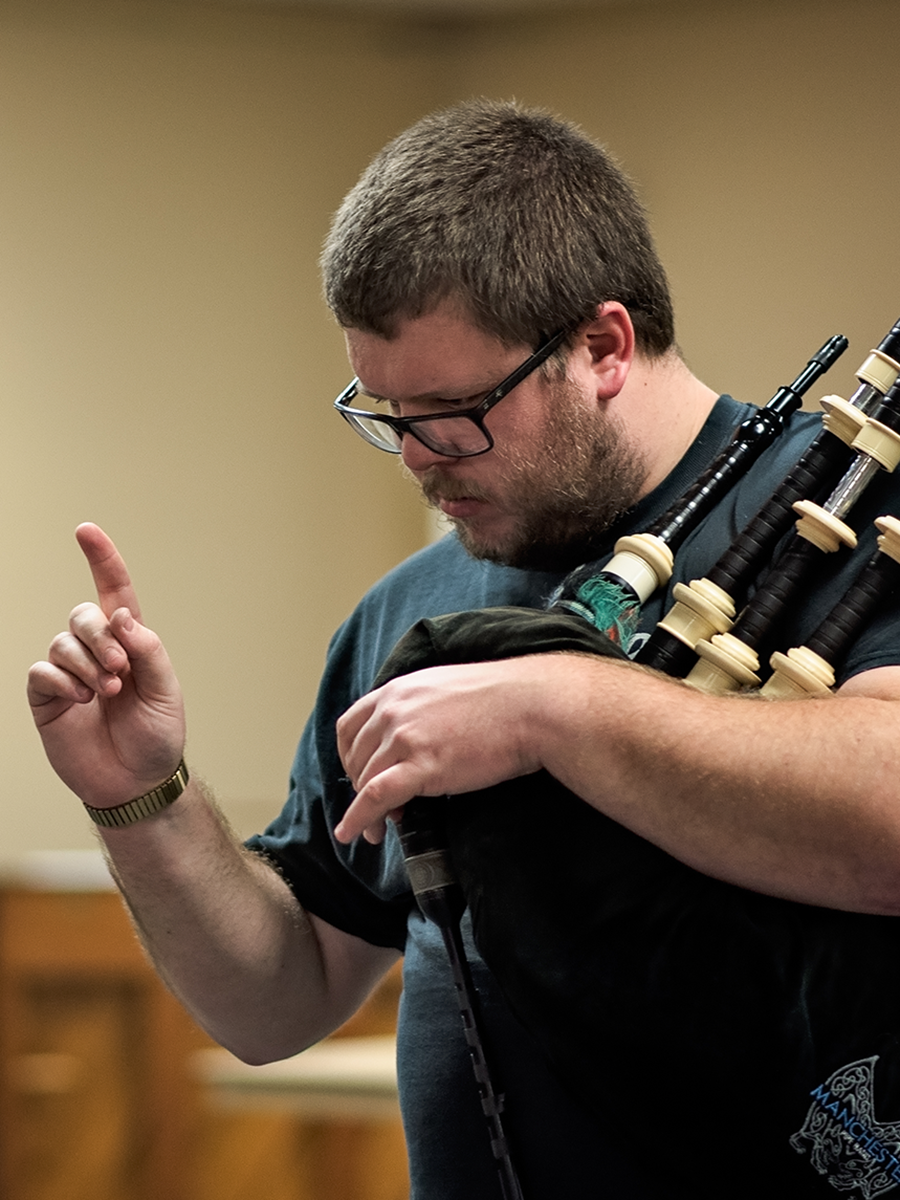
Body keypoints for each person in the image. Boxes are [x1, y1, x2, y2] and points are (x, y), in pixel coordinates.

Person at [27, 100, 900, 1198]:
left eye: (453, 410)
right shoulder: (413, 614)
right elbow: (280, 998)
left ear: (602, 345)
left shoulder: (856, 515)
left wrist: (553, 710)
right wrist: (140, 798)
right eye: (386, 414)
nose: (420, 460)